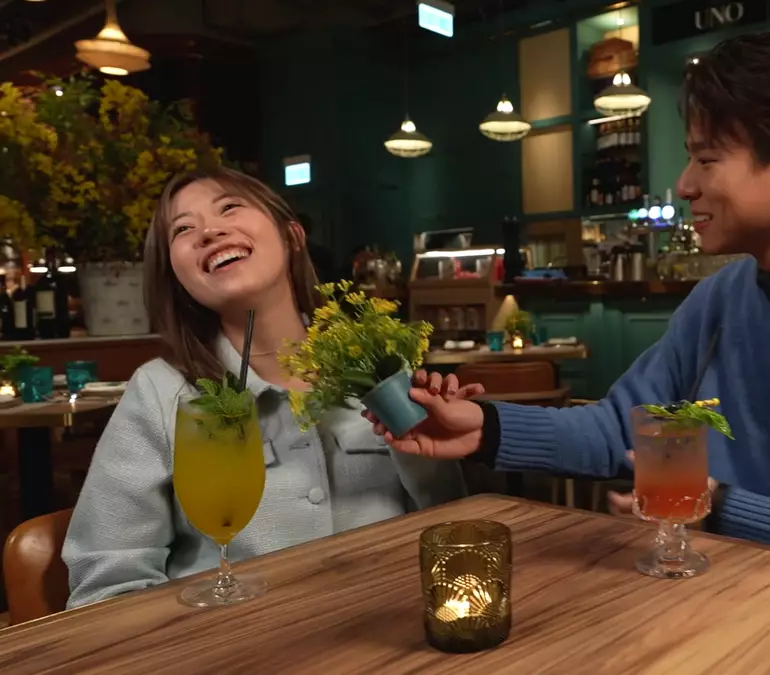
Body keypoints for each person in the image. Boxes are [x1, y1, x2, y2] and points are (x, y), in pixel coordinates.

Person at [370, 29, 770, 586]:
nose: (684, 184)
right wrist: (486, 427)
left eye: (707, 157)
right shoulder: (721, 300)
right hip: (750, 599)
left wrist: (720, 508)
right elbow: (626, 428)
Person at [63, 166, 476, 608]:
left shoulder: (376, 365)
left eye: (229, 207)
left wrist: (431, 438)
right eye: (183, 229)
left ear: (292, 235)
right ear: (175, 276)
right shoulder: (160, 391)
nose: (209, 231)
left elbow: (450, 528)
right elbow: (106, 583)